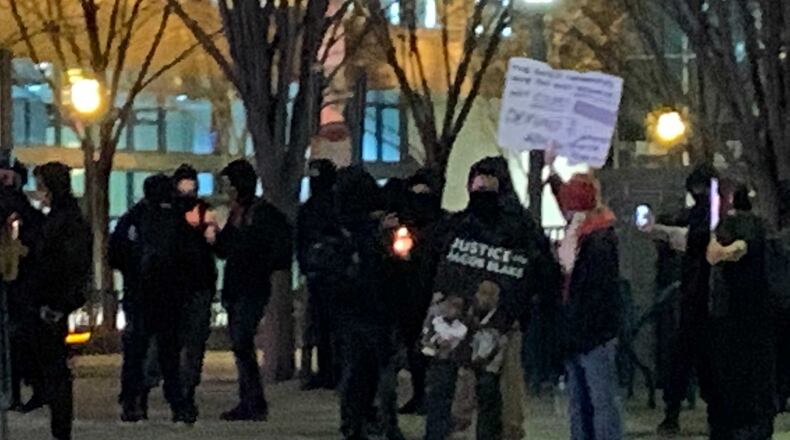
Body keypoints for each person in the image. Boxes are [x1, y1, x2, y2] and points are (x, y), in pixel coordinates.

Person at [425, 156, 558, 440]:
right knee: (462, 392)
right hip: (466, 321)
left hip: (504, 324)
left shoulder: (518, 227)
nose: (482, 194)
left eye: (487, 187)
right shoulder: (462, 225)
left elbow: (540, 270)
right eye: (478, 187)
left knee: (501, 397)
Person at [315, 166, 403, 440]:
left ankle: (357, 421)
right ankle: (377, 421)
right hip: (373, 306)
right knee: (376, 369)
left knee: (358, 369)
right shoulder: (372, 229)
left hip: (355, 307)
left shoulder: (340, 226)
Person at [640, 163, 718, 435]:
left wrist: (663, 230)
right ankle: (711, 414)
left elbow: (689, 238)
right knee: (704, 362)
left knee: (684, 358)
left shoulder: (704, 217)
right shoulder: (714, 215)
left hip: (695, 298)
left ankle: (673, 413)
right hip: (707, 299)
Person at [215, 159, 292, 421]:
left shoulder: (261, 214)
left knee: (242, 343)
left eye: (230, 185)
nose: (228, 191)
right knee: (241, 346)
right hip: (238, 288)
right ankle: (249, 400)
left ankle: (254, 402)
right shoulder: (239, 213)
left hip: (251, 288)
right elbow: (224, 249)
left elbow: (271, 249)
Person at [705, 182, 776, 439]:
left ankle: (737, 425)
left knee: (733, 372)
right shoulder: (762, 227)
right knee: (758, 372)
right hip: (760, 311)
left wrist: (721, 247)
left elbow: (715, 255)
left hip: (731, 313)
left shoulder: (732, 226)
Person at [26, 162, 91, 440]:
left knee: (55, 369)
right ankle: (59, 424)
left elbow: (67, 265)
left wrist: (58, 302)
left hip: (53, 303)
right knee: (52, 367)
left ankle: (61, 428)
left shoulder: (65, 221)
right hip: (52, 301)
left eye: (41, 186)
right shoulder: (62, 217)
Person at [556, 173, 623, 440]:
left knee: (591, 400)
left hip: (588, 331)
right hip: (589, 331)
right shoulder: (597, 233)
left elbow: (585, 287)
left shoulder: (591, 241)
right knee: (596, 399)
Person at [111, 173, 172, 422]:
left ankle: (133, 399)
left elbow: (115, 253)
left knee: (137, 349)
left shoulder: (133, 218)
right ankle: (144, 398)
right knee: (157, 348)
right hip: (158, 294)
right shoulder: (167, 218)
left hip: (140, 293)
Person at [172, 164, 218, 420]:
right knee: (184, 343)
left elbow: (214, 241)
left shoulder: (201, 211)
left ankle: (185, 391)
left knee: (191, 344)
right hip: (185, 286)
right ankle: (182, 391)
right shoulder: (177, 212)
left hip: (195, 286)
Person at [0, 160, 46, 413]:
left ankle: (21, 390)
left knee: (19, 340)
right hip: (18, 285)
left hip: (20, 286)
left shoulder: (23, 211)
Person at [297, 159, 340, 390]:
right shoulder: (316, 207)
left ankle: (330, 372)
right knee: (322, 326)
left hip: (327, 275)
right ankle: (327, 372)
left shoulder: (325, 206)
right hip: (321, 275)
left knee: (326, 326)